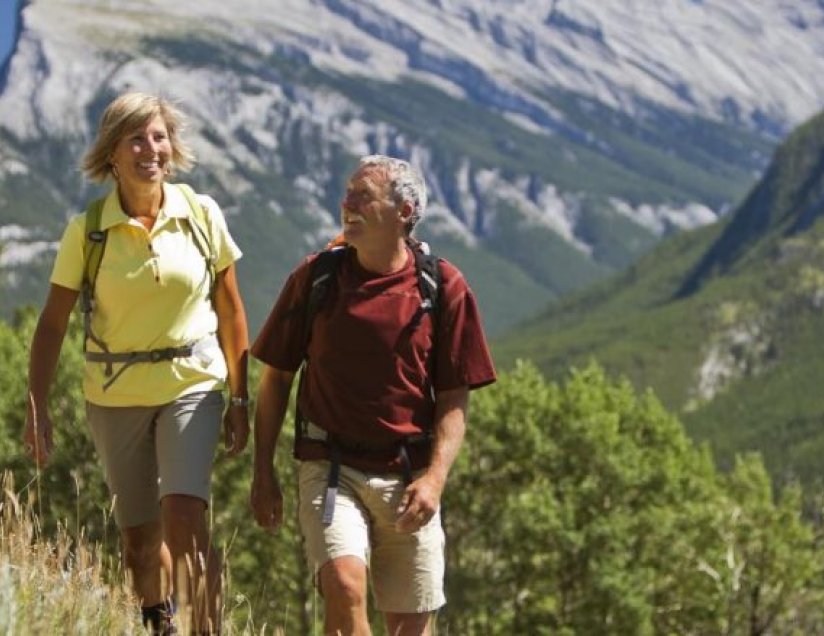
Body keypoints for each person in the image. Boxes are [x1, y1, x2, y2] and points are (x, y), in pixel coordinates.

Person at [23, 92, 249, 634]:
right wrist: (38, 407)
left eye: (159, 136)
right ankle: (162, 625)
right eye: (137, 138)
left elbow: (232, 310)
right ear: (113, 154)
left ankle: (206, 629)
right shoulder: (89, 230)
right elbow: (52, 326)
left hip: (192, 385)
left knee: (185, 518)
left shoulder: (201, 214)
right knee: (140, 544)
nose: (152, 149)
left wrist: (240, 397)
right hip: (114, 394)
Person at [251, 155, 496, 635]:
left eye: (363, 195)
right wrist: (263, 473)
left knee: (409, 626)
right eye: (347, 194)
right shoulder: (316, 278)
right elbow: (275, 377)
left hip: (410, 477)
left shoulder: (443, 287)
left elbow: (453, 398)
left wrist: (435, 480)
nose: (347, 205)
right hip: (330, 466)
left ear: (404, 211)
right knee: (344, 588)